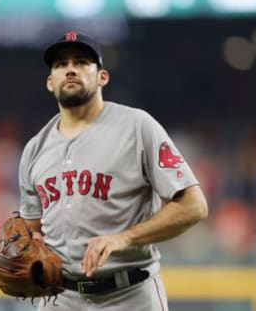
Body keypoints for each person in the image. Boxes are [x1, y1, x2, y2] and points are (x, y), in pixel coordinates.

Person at [18, 30, 208, 311]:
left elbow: (194, 206)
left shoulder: (137, 127)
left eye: (82, 62)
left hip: (130, 294)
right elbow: (34, 229)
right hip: (61, 299)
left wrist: (125, 237)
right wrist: (26, 249)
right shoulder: (35, 149)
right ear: (50, 82)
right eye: (61, 64)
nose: (70, 69)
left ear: (102, 77)